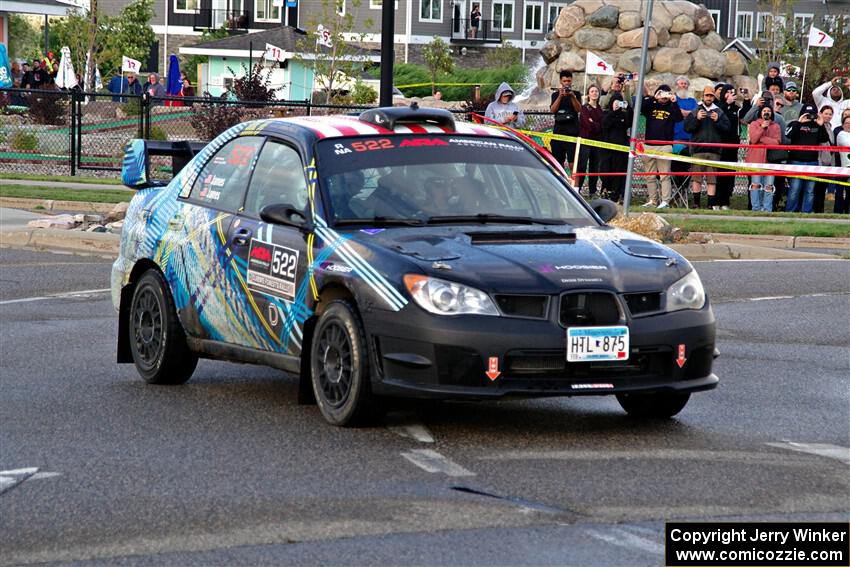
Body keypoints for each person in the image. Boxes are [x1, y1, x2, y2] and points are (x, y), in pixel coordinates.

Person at [684, 85, 730, 209]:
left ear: (714, 97)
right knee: (696, 179)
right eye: (707, 95)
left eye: (711, 96)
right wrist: (697, 119)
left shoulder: (719, 111)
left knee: (712, 180)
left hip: (714, 151)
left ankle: (710, 205)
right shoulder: (696, 110)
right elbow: (687, 128)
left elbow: (727, 129)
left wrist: (718, 121)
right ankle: (696, 204)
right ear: (702, 96)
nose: (709, 98)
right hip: (698, 150)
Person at [640, 84, 682, 208]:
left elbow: (678, 118)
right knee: (650, 175)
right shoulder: (651, 104)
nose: (664, 97)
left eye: (666, 94)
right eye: (662, 94)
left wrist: (674, 102)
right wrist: (654, 98)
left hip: (665, 145)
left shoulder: (671, 106)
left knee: (664, 175)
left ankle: (665, 201)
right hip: (649, 144)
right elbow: (641, 109)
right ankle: (653, 200)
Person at [785, 103, 830, 213]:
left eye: (812, 114)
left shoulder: (817, 126)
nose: (809, 117)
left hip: (812, 162)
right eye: (807, 114)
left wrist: (821, 124)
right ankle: (789, 212)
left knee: (810, 191)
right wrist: (798, 122)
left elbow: (824, 139)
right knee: (794, 189)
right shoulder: (795, 124)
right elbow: (788, 135)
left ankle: (806, 212)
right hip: (796, 161)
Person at [746, 105, 782, 212]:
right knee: (756, 185)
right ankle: (756, 208)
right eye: (764, 111)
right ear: (760, 113)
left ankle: (767, 209)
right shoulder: (754, 124)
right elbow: (753, 139)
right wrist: (761, 128)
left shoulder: (776, 126)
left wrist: (762, 139)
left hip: (771, 161)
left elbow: (776, 142)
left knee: (769, 186)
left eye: (768, 111)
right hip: (756, 160)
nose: (766, 113)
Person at [714, 84, 744, 210]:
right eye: (728, 92)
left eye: (733, 92)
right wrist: (726, 104)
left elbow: (746, 114)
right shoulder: (718, 107)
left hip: (733, 146)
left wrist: (746, 99)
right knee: (718, 174)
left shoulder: (736, 108)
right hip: (720, 145)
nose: (731, 94)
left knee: (729, 175)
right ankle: (715, 201)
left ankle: (725, 201)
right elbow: (720, 115)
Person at [600, 93, 633, 202]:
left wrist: (627, 108)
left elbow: (631, 121)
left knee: (619, 172)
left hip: (620, 149)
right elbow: (605, 124)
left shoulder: (624, 115)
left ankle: (616, 194)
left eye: (619, 102)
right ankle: (605, 191)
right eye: (615, 102)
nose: (617, 104)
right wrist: (613, 111)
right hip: (607, 149)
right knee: (605, 171)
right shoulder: (606, 114)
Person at [550, 70, 582, 170]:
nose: (567, 83)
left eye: (568, 81)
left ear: (571, 80)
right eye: (564, 81)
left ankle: (574, 186)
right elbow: (553, 110)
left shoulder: (576, 94)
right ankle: (560, 184)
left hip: (572, 133)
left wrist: (572, 96)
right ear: (560, 81)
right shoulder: (555, 95)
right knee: (558, 164)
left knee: (573, 163)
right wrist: (560, 95)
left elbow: (579, 109)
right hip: (559, 133)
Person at [575, 84, 604, 196]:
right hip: (585, 141)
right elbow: (588, 124)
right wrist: (594, 124)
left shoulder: (600, 110)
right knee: (582, 166)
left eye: (596, 91)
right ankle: (578, 190)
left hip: (597, 142)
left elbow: (602, 126)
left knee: (595, 167)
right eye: (592, 91)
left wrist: (594, 123)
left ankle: (592, 191)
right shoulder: (584, 108)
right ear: (588, 94)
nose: (594, 93)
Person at [814, 105, 835, 213]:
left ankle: (820, 209)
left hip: (828, 163)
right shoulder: (817, 125)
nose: (828, 116)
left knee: (822, 189)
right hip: (819, 162)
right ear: (820, 113)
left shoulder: (830, 128)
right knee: (816, 189)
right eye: (826, 113)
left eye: (830, 114)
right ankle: (815, 209)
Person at [834, 114, 850, 214]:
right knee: (842, 194)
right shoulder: (841, 134)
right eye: (847, 123)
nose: (849, 125)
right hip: (845, 168)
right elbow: (847, 144)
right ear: (843, 125)